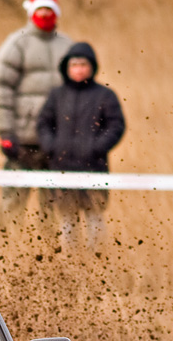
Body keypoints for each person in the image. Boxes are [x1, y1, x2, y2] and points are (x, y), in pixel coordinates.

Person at [0, 0, 73, 229]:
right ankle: (5, 252)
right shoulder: (17, 43)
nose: (45, 15)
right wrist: (5, 132)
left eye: (50, 10)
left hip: (55, 142)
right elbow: (1, 87)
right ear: (32, 12)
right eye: (41, 10)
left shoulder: (67, 46)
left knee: (52, 206)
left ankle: (49, 255)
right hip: (21, 140)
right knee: (13, 202)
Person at [36, 42, 126, 251]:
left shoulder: (105, 95)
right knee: (67, 219)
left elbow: (116, 126)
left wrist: (96, 147)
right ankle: (71, 263)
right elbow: (43, 123)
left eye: (83, 64)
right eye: (74, 64)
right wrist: (52, 146)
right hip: (62, 167)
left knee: (94, 217)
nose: (79, 69)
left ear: (92, 67)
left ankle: (97, 260)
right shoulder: (57, 95)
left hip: (94, 167)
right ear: (67, 67)